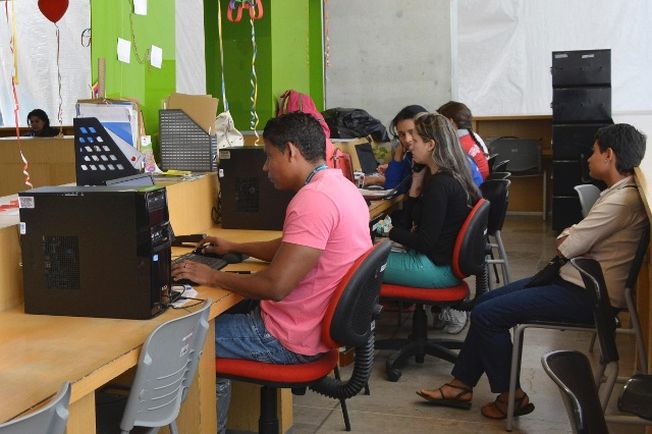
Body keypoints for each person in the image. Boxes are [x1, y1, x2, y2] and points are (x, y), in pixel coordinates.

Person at [416, 123, 647, 420]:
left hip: (586, 295)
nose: (588, 158)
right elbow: (573, 240)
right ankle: (461, 385)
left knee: (487, 316)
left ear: (609, 155)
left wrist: (572, 236)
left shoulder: (620, 201)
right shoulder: (619, 193)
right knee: (486, 304)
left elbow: (566, 245)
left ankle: (512, 396)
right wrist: (574, 236)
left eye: (593, 151)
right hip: (574, 282)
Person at [170, 112, 372, 433]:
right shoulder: (339, 186)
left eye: (269, 156)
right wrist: (235, 246)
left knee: (186, 340)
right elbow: (292, 246)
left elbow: (275, 286)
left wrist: (211, 276)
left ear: (291, 151)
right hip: (317, 331)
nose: (265, 167)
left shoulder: (312, 200)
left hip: (288, 339)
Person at [381, 112, 481, 333]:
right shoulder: (449, 176)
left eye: (415, 141)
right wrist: (415, 190)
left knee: (360, 266)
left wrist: (389, 232)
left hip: (435, 269)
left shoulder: (439, 185)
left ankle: (358, 338)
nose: (409, 145)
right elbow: (412, 226)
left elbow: (424, 241)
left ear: (430, 145)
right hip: (443, 266)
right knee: (371, 257)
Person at [438, 101, 489, 180]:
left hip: (474, 189)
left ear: (450, 121)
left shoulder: (458, 145)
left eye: (439, 122)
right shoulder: (469, 138)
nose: (438, 126)